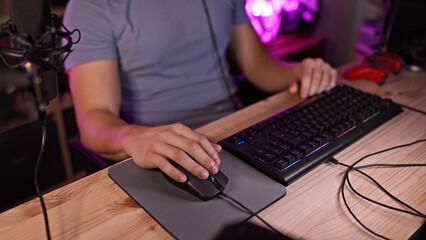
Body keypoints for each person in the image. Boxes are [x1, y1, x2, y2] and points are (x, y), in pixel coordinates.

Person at [63, 0, 337, 184]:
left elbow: (258, 66)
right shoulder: (90, 6)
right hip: (165, 155)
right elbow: (94, 117)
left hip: (238, 138)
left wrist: (299, 73)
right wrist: (134, 138)